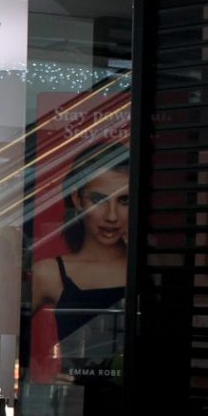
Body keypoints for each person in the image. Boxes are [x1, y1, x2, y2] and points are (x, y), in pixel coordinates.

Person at [30, 142, 130, 384]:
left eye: (124, 200)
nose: (112, 216)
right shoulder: (49, 272)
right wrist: (39, 377)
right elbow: (20, 342)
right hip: (73, 402)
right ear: (77, 198)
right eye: (99, 200)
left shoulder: (154, 264)